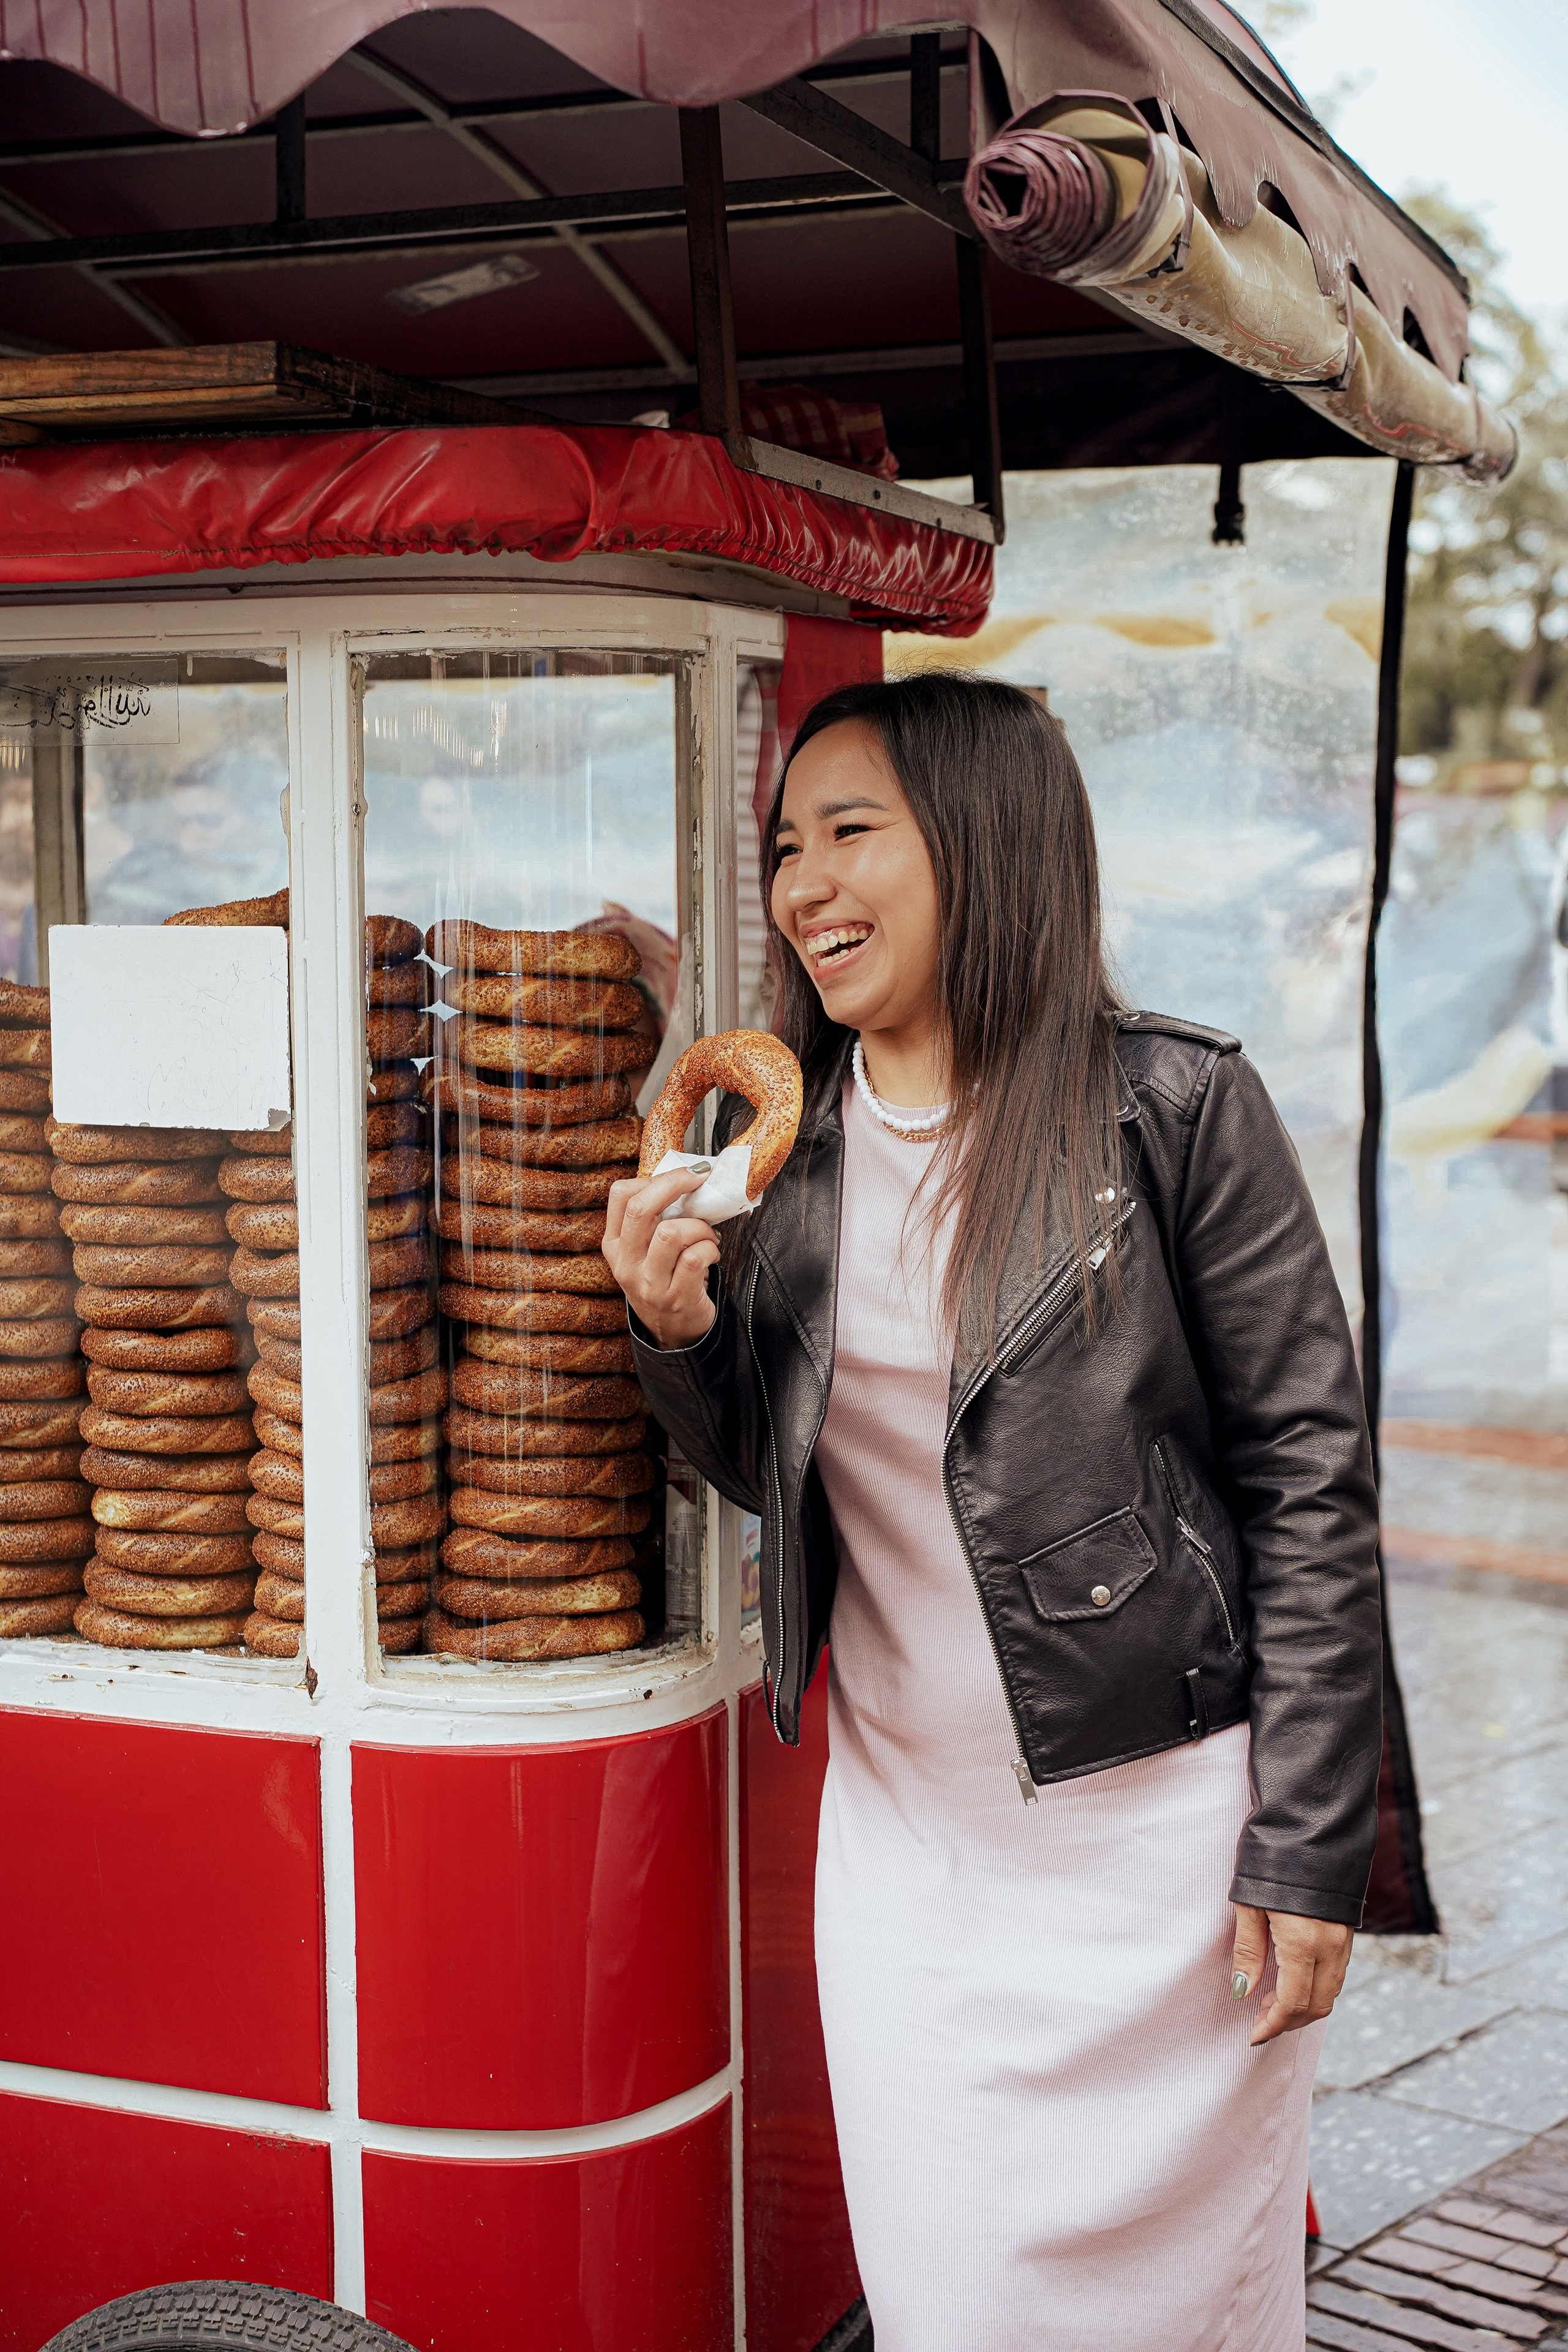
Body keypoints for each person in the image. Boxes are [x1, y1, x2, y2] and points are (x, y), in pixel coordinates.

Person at [604, 672, 1382, 2352]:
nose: (805, 885)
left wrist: (1313, 1847)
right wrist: (676, 1331)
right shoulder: (773, 1157)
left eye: (851, 833)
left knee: (1191, 2317)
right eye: (785, 846)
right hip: (915, 1856)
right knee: (952, 2301)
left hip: (1169, 1855)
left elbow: (1311, 1481)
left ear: (985, 841)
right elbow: (768, 1466)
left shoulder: (1175, 1108)